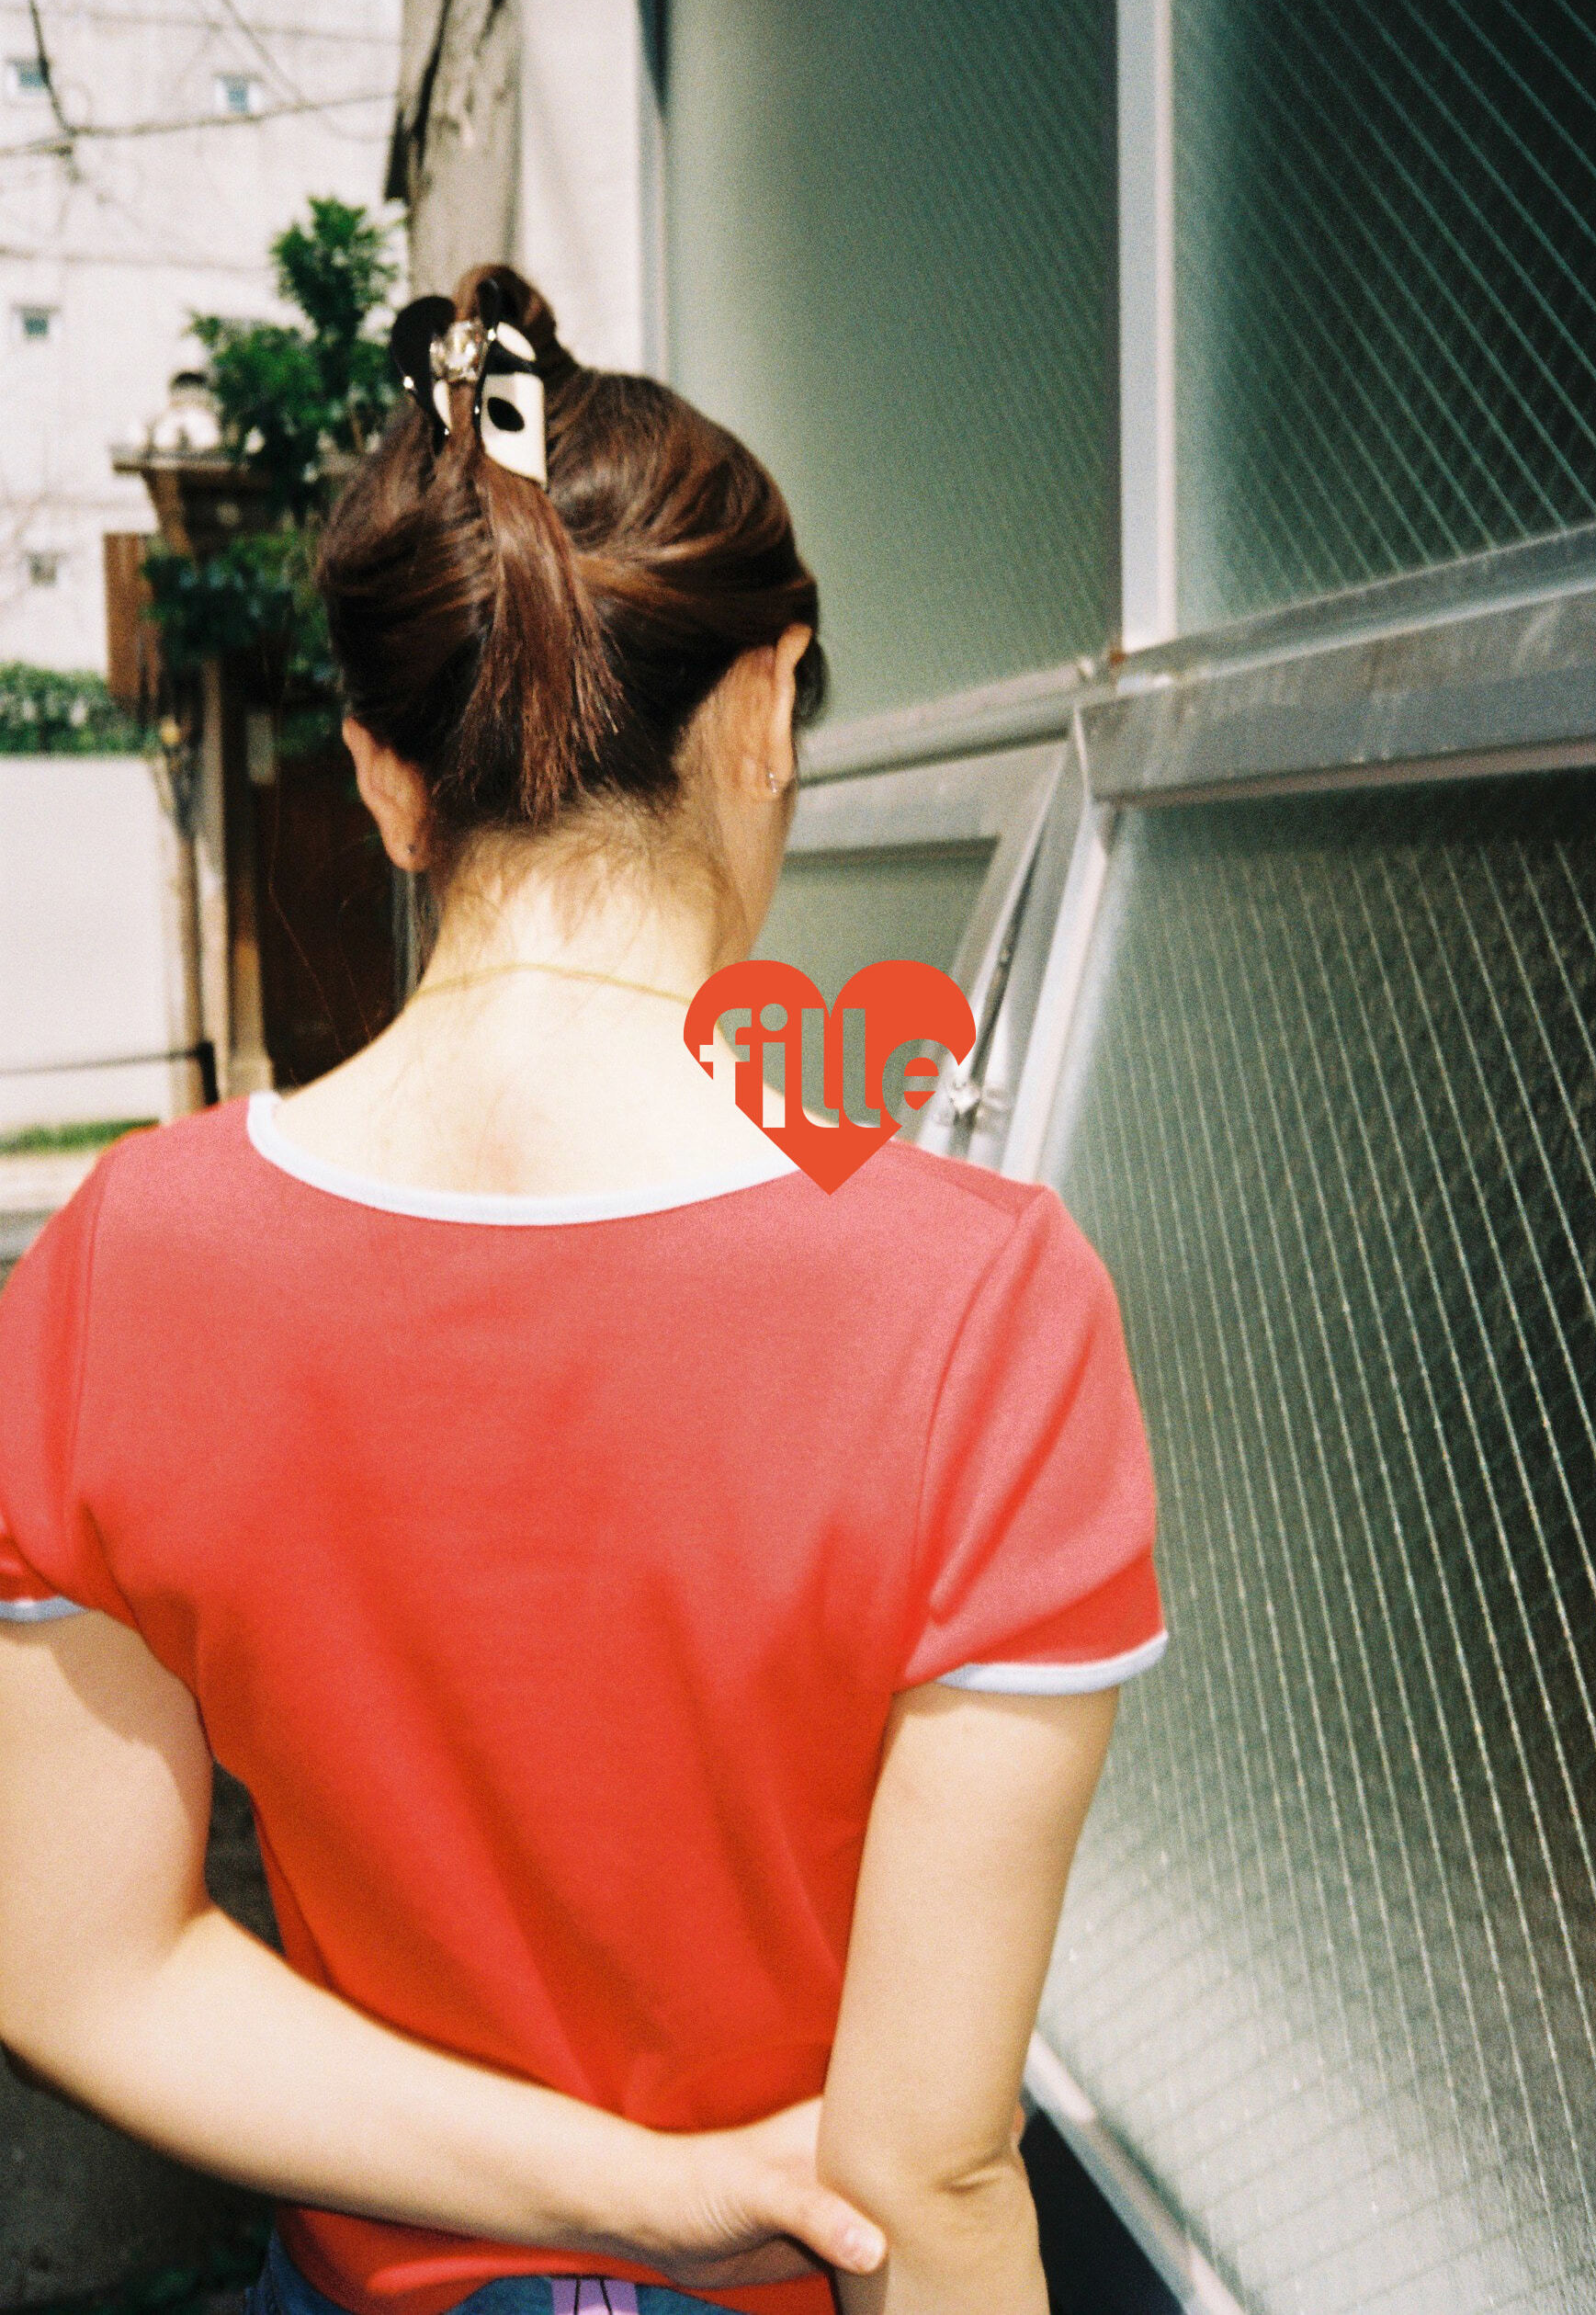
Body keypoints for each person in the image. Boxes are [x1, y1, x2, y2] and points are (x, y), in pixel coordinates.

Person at [0, 264, 1168, 2315]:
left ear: (382, 774)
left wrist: (631, 2189)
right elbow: (930, 2168)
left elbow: (83, 1966)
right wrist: (701, 2195)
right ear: (764, 707)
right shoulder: (984, 1302)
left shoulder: (120, 1257)